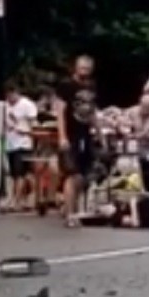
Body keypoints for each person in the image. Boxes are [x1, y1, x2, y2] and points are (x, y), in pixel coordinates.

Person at [54, 55, 99, 226]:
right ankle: (70, 214)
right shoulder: (66, 86)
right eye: (81, 68)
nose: (84, 71)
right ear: (75, 68)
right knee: (72, 174)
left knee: (82, 175)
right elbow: (60, 112)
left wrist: (99, 133)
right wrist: (62, 136)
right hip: (70, 134)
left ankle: (68, 205)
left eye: (87, 69)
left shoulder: (91, 86)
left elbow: (92, 112)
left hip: (85, 134)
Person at [0, 81, 38, 212]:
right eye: (8, 96)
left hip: (23, 142)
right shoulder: (5, 105)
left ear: (17, 93)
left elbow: (34, 123)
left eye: (12, 95)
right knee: (17, 174)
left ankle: (16, 200)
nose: (10, 99)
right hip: (10, 143)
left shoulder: (27, 105)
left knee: (20, 173)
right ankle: (25, 199)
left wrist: (28, 132)